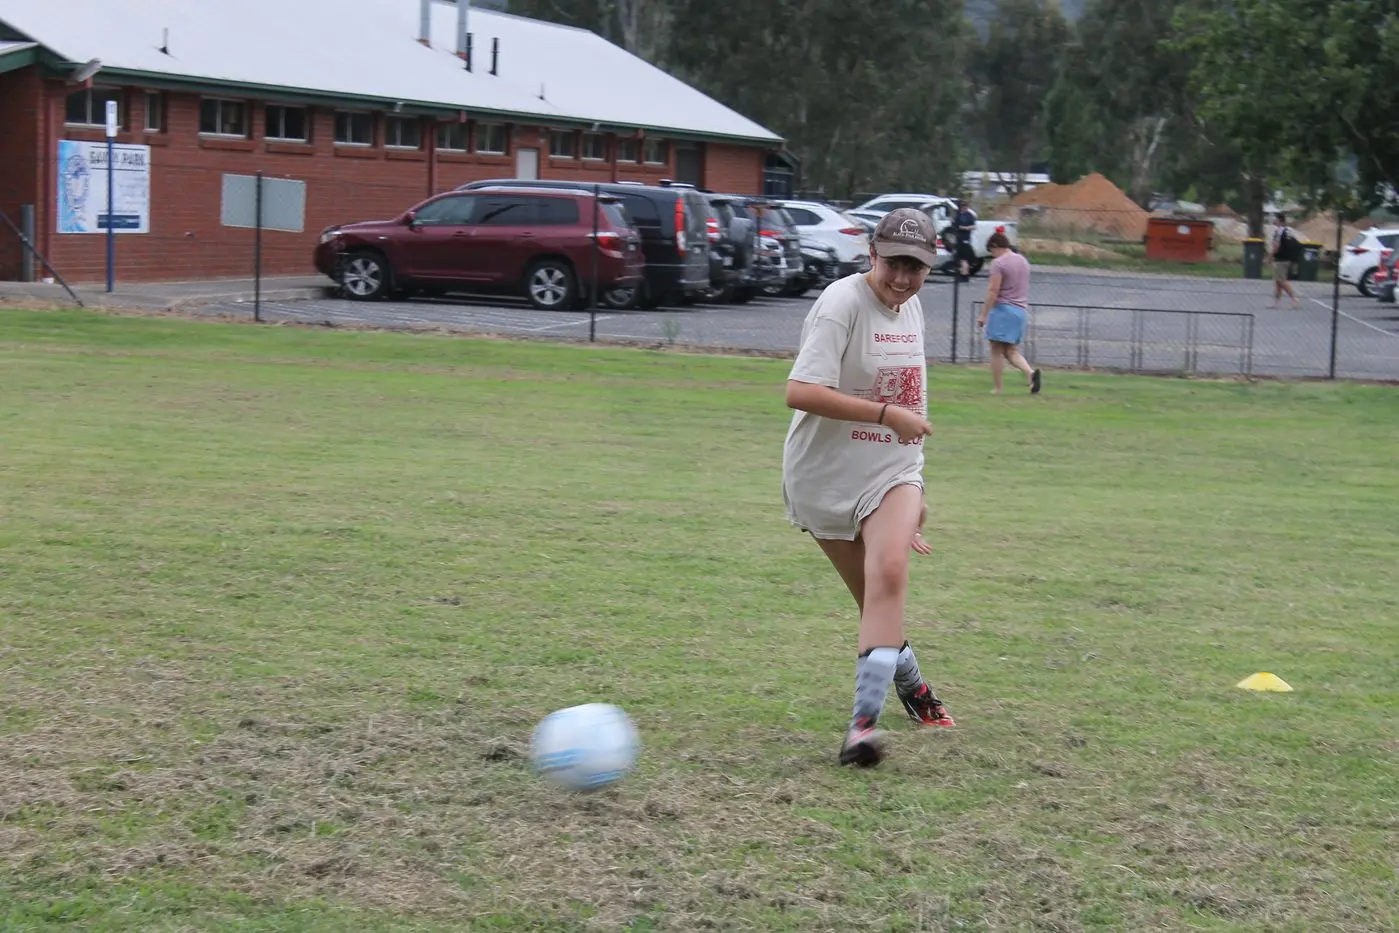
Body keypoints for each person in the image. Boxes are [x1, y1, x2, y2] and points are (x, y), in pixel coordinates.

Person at [782, 208, 956, 768]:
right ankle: (913, 684)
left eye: (917, 267)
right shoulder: (841, 303)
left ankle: (862, 728)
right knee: (875, 607)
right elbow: (800, 391)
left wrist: (916, 487)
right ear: (871, 254)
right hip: (824, 476)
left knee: (889, 575)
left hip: (890, 472)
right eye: (894, 264)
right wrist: (884, 414)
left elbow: (915, 401)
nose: (903, 279)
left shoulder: (913, 308)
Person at [977, 232, 1041, 395]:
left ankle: (998, 388)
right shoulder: (1023, 260)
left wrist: (984, 314)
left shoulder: (998, 263)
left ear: (995, 247)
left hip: (1003, 310)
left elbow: (993, 290)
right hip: (1020, 310)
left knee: (996, 350)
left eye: (991, 251)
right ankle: (1031, 374)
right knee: (1010, 351)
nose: (992, 255)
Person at [1268, 212, 1302, 308]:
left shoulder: (1279, 231)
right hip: (1288, 258)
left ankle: (1294, 297)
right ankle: (1275, 302)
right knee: (1278, 281)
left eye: (1275, 219)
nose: (1274, 221)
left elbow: (1276, 246)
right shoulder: (1289, 230)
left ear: (1279, 220)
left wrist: (1270, 257)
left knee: (1281, 280)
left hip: (1280, 258)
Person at [953, 199, 978, 280]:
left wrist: (965, 228)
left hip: (965, 239)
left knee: (964, 258)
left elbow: (974, 226)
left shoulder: (969, 216)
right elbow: (955, 225)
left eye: (965, 206)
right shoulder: (958, 215)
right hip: (958, 239)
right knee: (960, 259)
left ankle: (965, 275)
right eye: (962, 206)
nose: (963, 208)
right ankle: (963, 273)